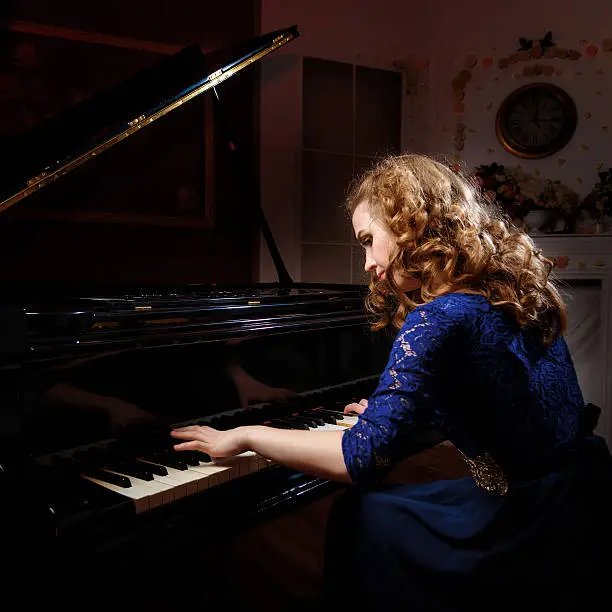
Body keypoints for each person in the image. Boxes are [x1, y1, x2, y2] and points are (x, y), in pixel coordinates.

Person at [170, 154, 612, 611]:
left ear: (409, 227)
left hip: (520, 521)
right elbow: (501, 400)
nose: (366, 264)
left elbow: (355, 462)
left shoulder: (437, 318)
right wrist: (391, 415)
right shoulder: (516, 295)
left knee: (363, 514)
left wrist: (246, 434)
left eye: (368, 241)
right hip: (579, 494)